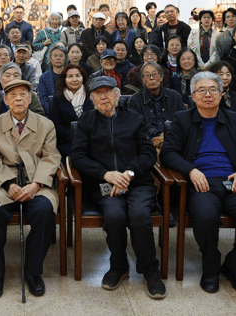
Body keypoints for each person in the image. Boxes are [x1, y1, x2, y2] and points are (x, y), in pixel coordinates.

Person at [160, 72, 236, 295]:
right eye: (201, 90)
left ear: (221, 94)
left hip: (233, 181)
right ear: (192, 96)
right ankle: (210, 268)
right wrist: (190, 170)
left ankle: (235, 267)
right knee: (206, 218)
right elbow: (168, 153)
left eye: (213, 90)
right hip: (201, 183)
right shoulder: (182, 119)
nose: (207, 94)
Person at [69, 76, 166, 296]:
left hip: (137, 182)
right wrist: (106, 174)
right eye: (98, 93)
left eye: (108, 92)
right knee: (114, 215)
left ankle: (150, 270)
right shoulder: (86, 121)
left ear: (117, 94)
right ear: (92, 98)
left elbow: (148, 153)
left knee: (139, 214)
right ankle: (118, 266)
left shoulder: (134, 118)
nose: (104, 97)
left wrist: (129, 172)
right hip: (104, 184)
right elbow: (77, 156)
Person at [0, 79, 61, 299]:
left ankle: (33, 271)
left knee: (44, 211)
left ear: (30, 99)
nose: (18, 99)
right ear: (6, 100)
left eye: (23, 94)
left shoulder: (46, 124)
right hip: (3, 182)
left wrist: (36, 184)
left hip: (37, 181)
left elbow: (51, 157)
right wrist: (8, 184)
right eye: (13, 95)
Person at [127, 61, 184, 145]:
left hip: (173, 140)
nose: (151, 78)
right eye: (147, 75)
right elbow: (135, 126)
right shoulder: (134, 100)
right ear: (143, 80)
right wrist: (157, 135)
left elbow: (183, 122)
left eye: (154, 74)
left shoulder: (175, 96)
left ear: (161, 77)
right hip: (146, 142)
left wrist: (164, 136)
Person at [47, 64, 94, 158]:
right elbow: (56, 124)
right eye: (70, 76)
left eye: (78, 75)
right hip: (67, 141)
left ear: (83, 78)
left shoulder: (92, 95)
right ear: (64, 79)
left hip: (91, 139)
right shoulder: (58, 98)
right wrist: (76, 136)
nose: (75, 79)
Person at [37, 45, 67, 112]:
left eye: (61, 56)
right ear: (50, 59)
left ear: (65, 59)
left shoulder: (70, 75)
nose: (58, 58)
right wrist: (53, 112)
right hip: (50, 113)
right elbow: (43, 99)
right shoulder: (44, 77)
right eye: (55, 56)